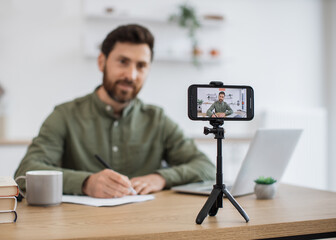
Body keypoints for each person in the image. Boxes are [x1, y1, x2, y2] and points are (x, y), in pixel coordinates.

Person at [14, 24, 215, 198]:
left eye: (141, 66)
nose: (131, 75)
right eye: (123, 62)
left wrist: (160, 178)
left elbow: (207, 168)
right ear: (102, 62)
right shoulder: (65, 115)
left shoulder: (158, 119)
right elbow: (26, 172)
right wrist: (85, 183)